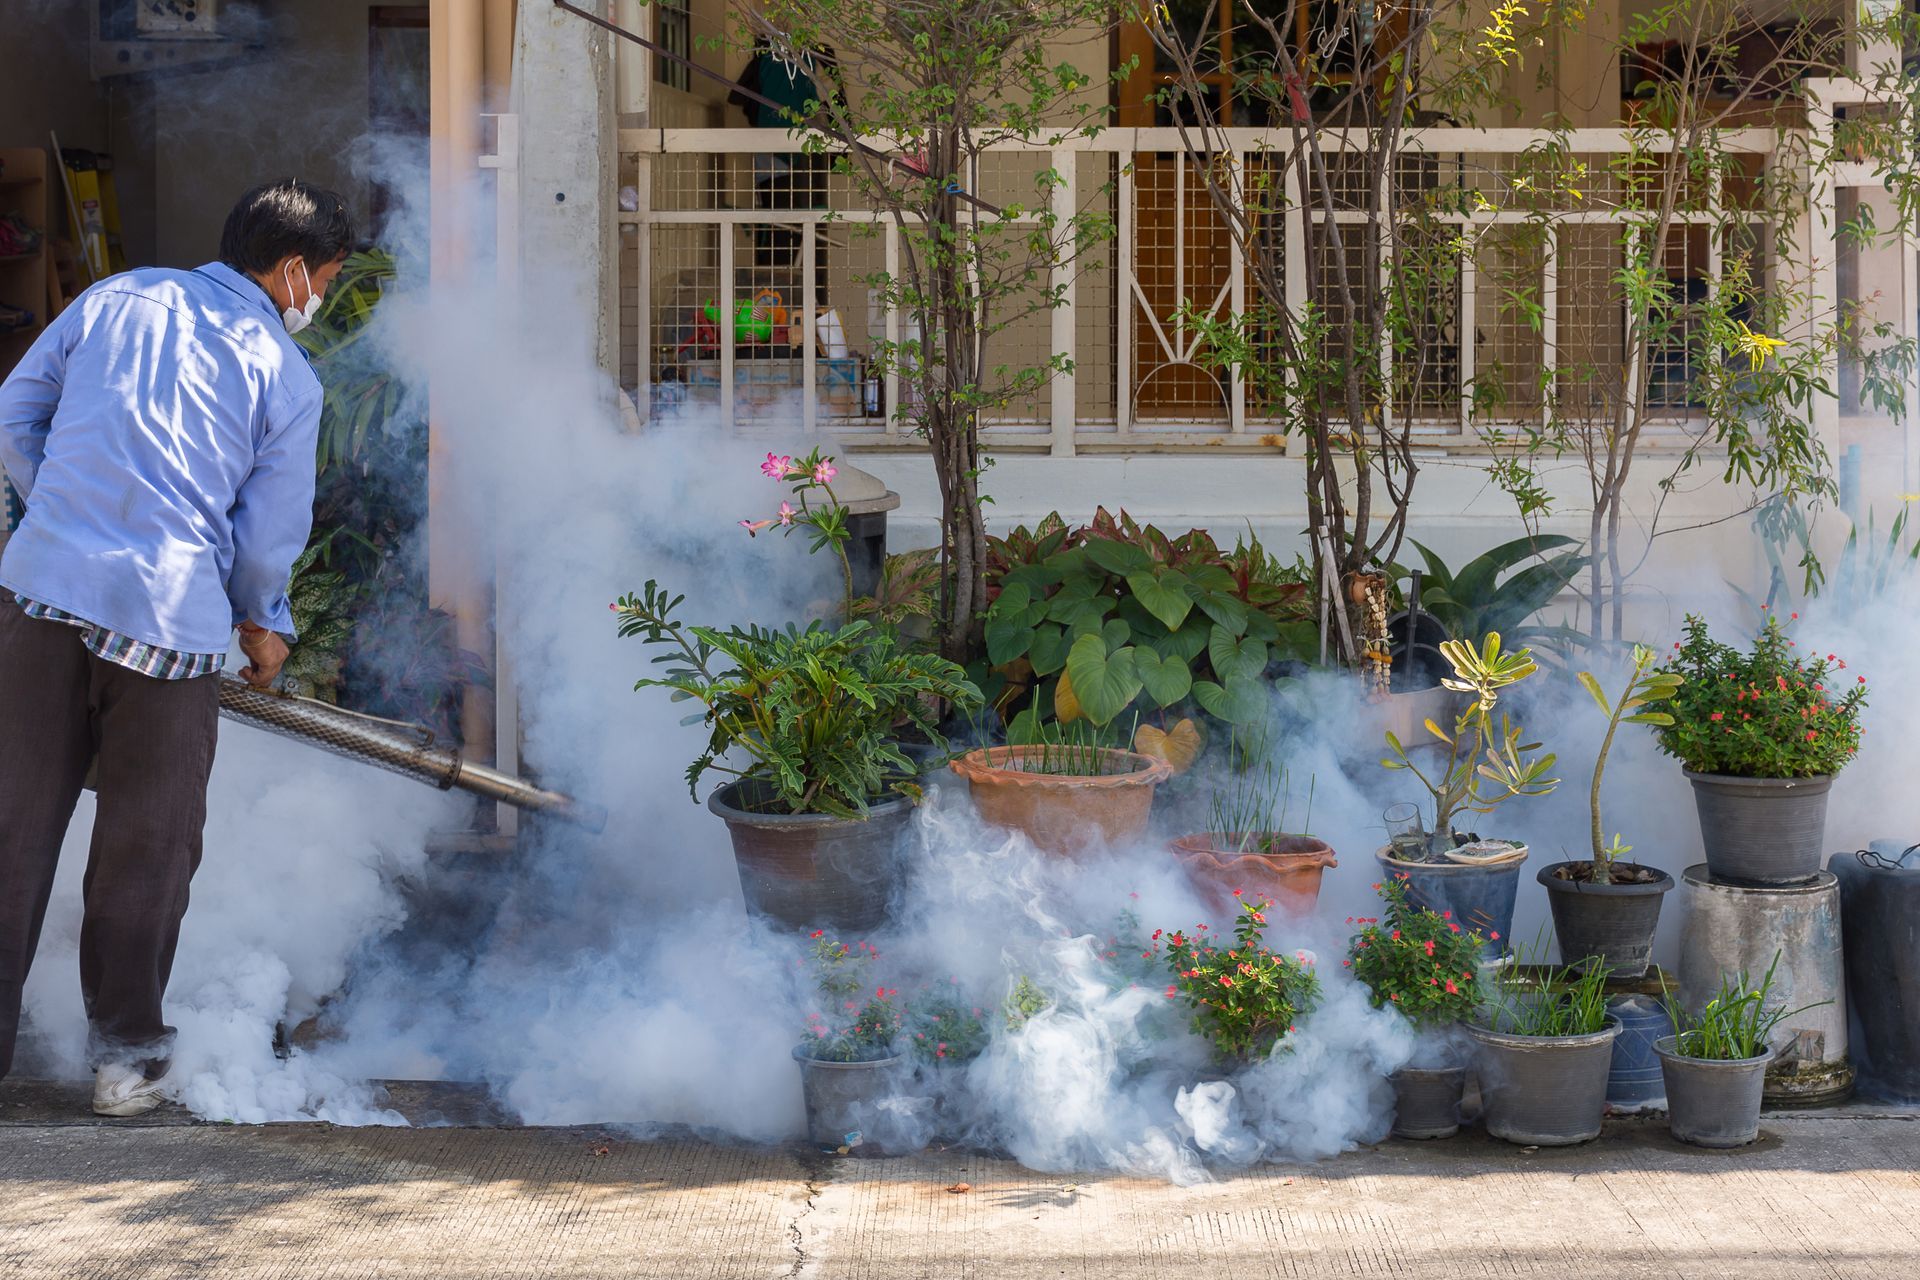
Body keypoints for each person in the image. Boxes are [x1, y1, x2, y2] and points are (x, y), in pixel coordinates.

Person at [0, 178, 351, 1116]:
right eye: (327, 279)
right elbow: (269, 533)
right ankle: (123, 1060)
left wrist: (60, 514)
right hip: (167, 621)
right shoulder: (283, 373)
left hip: (40, 598)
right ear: (291, 273)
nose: (322, 297)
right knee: (145, 848)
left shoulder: (113, 297)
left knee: (10, 829)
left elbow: (13, 411)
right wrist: (262, 624)